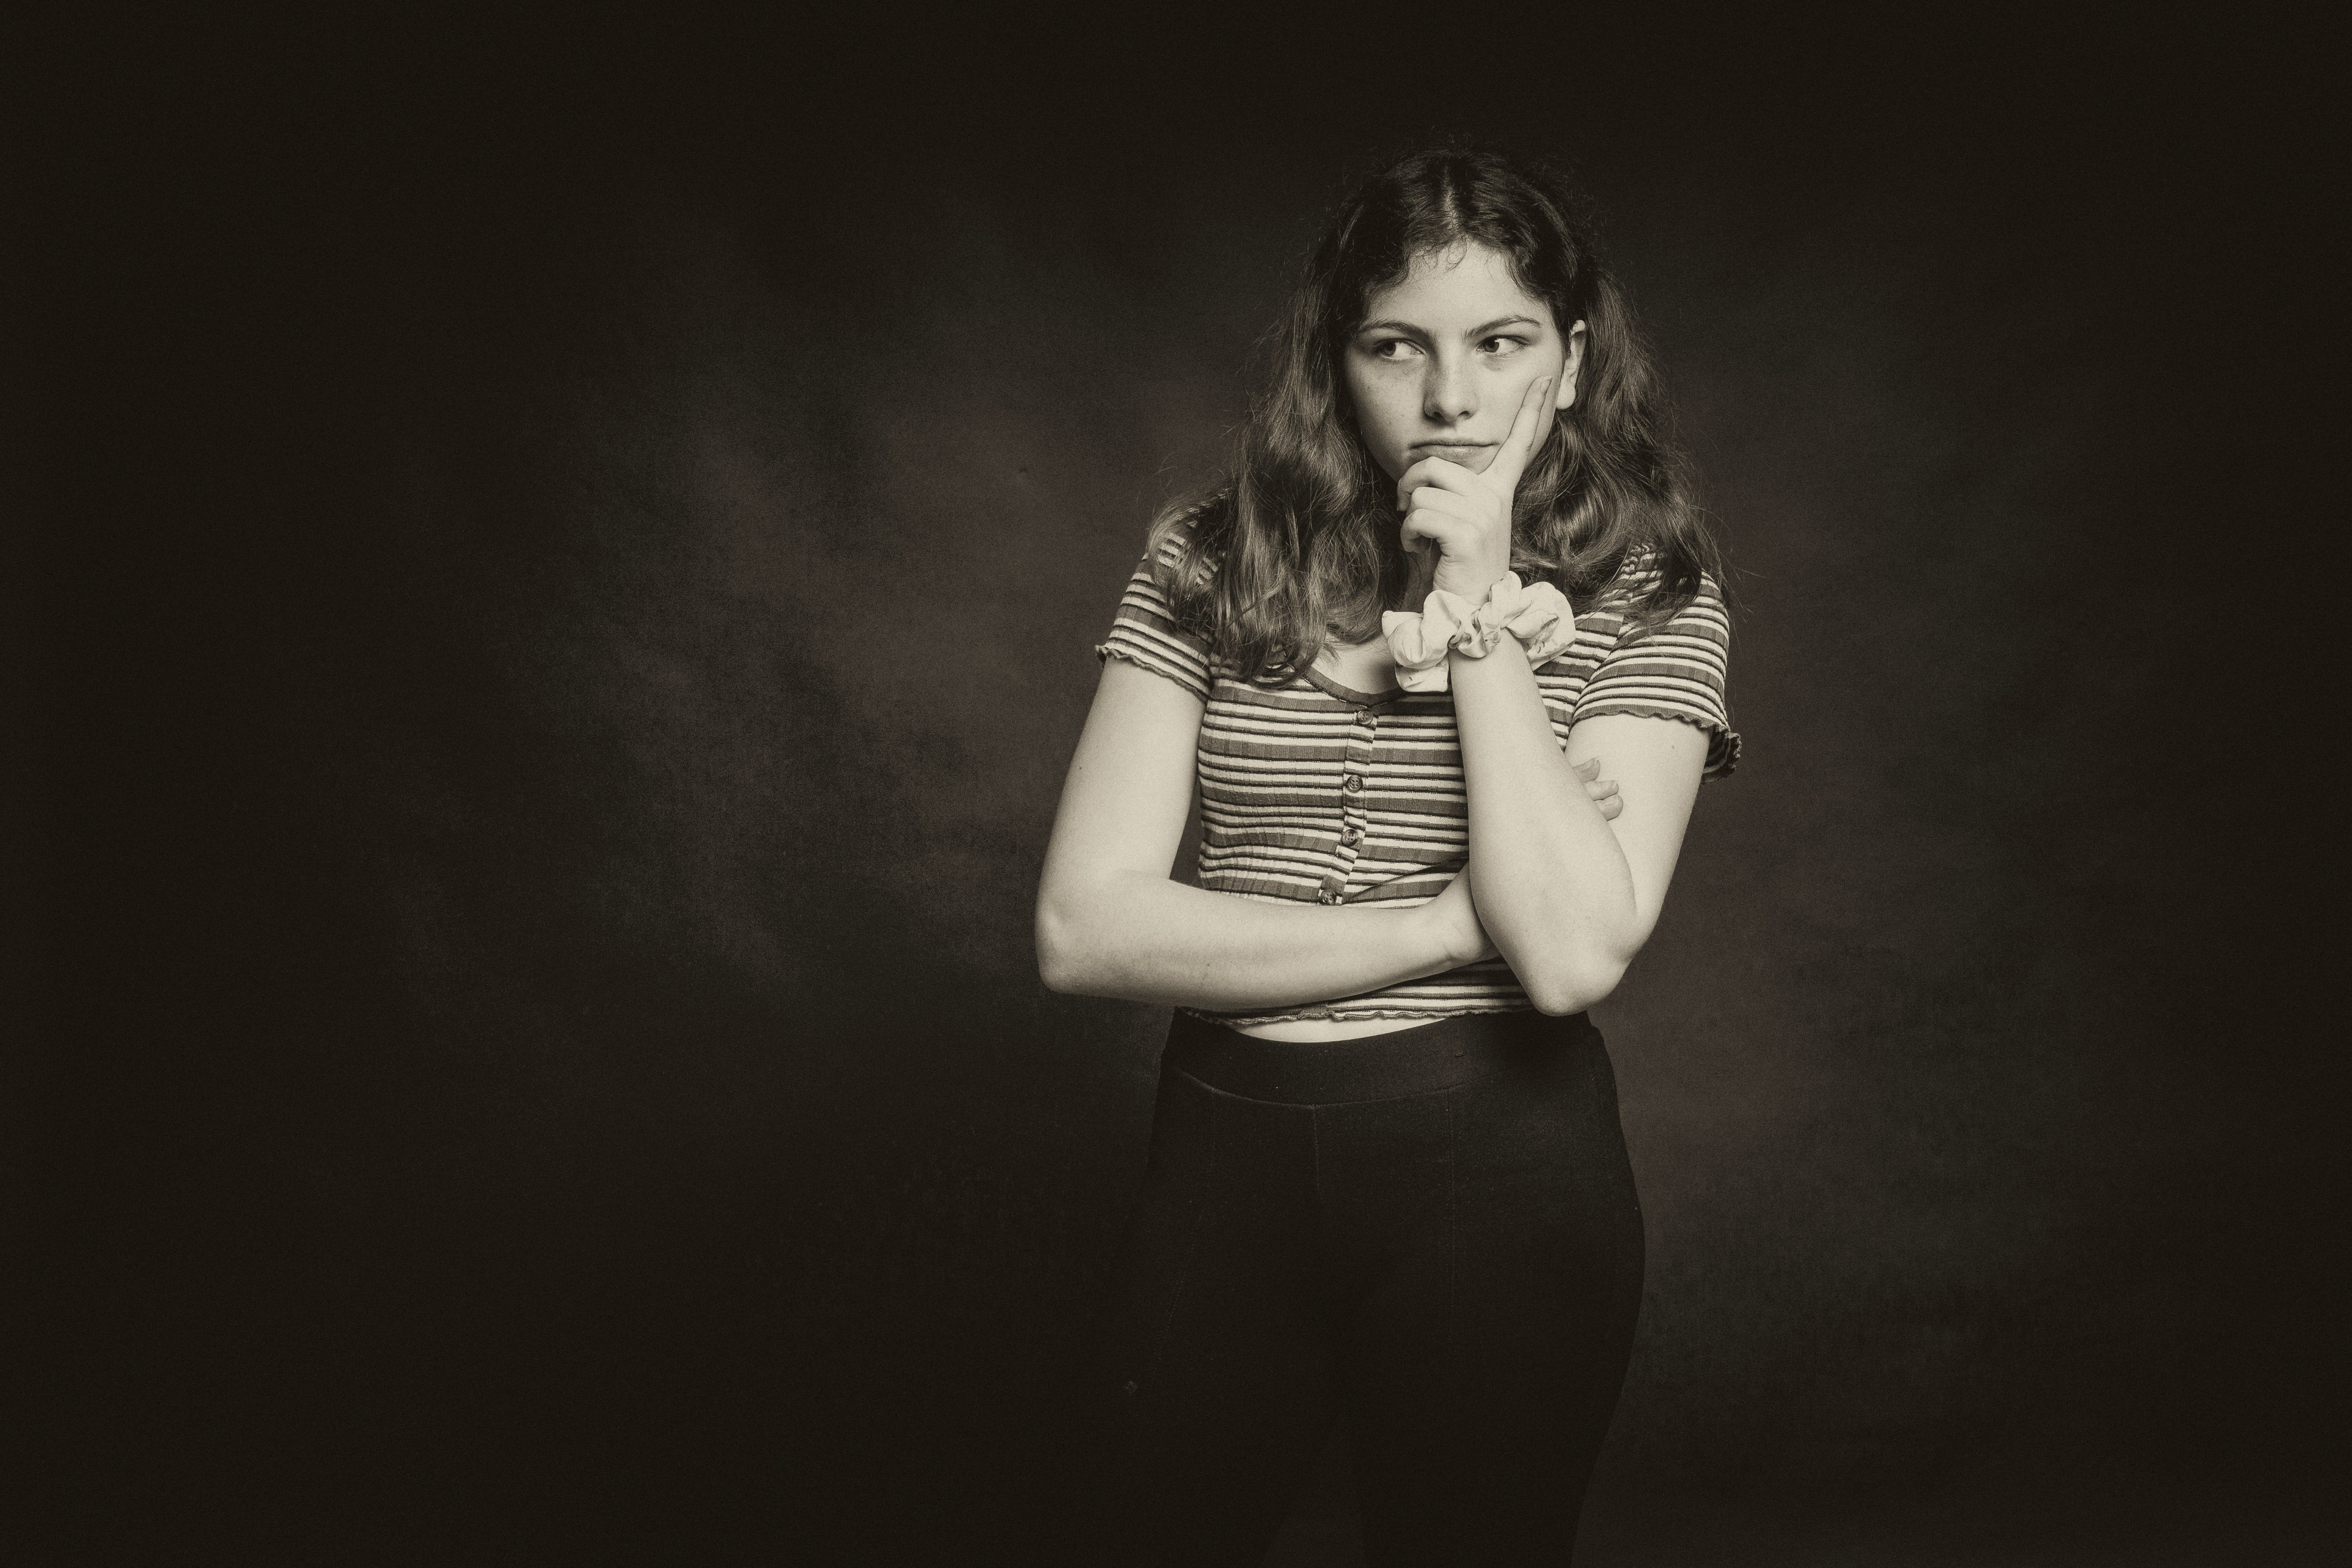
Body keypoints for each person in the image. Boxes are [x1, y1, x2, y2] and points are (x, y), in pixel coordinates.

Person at [1033, 145, 1739, 1564]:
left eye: (1501, 344)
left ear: (1571, 361)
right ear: (1337, 360)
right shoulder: (1206, 558)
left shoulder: (1654, 593)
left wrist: (1476, 601)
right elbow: (1083, 930)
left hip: (1500, 1169)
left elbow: (1568, 956)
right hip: (1223, 1159)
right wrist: (1442, 926)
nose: (1451, 398)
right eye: (1396, 345)